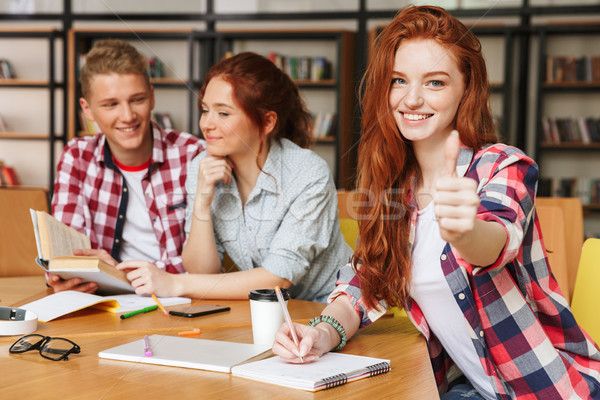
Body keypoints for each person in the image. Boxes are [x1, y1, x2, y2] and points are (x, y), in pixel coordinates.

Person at [272, 6, 600, 399]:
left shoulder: (503, 165)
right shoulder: (395, 188)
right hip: (473, 389)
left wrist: (465, 231)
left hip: (554, 390)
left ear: (466, 89)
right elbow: (362, 283)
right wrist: (322, 333)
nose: (411, 99)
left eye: (435, 83)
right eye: (399, 81)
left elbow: (496, 241)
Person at [117, 52, 353, 302]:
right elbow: (202, 271)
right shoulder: (202, 167)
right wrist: (202, 202)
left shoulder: (307, 172)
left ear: (267, 122)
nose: (207, 124)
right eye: (205, 110)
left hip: (333, 305)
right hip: (271, 311)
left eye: (224, 113)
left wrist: (174, 283)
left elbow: (278, 279)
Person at [48, 39, 204, 293]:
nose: (128, 116)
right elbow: (68, 254)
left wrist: (118, 271)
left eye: (137, 99)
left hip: (179, 299)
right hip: (107, 300)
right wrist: (64, 277)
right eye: (111, 104)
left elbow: (204, 266)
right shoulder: (77, 156)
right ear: (87, 109)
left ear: (152, 97)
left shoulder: (193, 155)